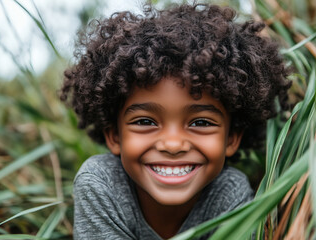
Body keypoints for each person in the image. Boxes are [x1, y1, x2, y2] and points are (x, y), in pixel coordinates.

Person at [60, 3, 291, 239]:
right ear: (115, 136)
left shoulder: (229, 194)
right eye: (145, 122)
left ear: (231, 138)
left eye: (200, 123)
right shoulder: (101, 183)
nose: (172, 144)